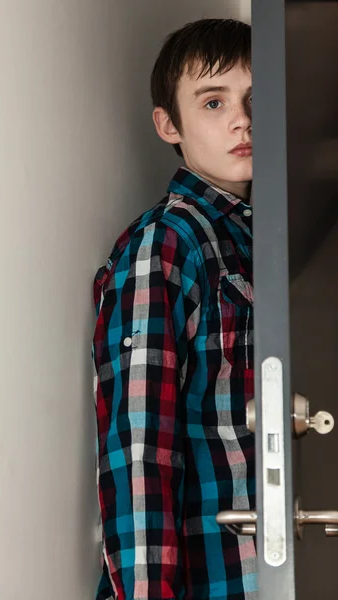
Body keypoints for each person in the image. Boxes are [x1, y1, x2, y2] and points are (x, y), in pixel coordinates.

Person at [92, 18, 256, 600]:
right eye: (214, 101)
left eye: (253, 98)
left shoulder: (260, 238)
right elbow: (139, 447)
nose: (243, 118)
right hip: (212, 580)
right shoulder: (164, 242)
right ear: (169, 125)